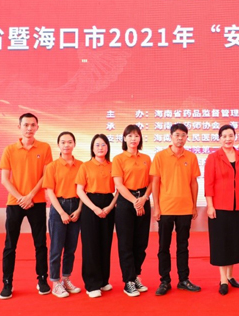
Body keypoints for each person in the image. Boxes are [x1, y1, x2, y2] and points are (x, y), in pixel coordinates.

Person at [0, 113, 53, 299]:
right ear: (19, 127)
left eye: (33, 125)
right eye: (26, 125)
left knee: (40, 244)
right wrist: (21, 198)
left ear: (37, 127)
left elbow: (46, 176)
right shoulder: (9, 150)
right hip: (15, 203)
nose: (29, 128)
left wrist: (30, 196)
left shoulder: (45, 148)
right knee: (10, 245)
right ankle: (7, 282)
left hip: (37, 202)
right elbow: (5, 179)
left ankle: (42, 279)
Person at [151, 123, 201, 295]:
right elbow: (155, 183)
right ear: (171, 136)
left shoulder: (191, 157)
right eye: (177, 135)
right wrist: (156, 207)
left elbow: (194, 183)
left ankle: (183, 279)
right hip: (165, 208)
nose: (180, 138)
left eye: (183, 135)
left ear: (187, 137)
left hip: (185, 208)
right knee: (163, 247)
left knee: (183, 246)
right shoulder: (160, 156)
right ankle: (164, 281)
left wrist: (194, 206)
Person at [204, 124, 239, 295]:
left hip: (238, 206)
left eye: (230, 135)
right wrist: (210, 205)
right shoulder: (213, 157)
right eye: (224, 136)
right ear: (219, 139)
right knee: (221, 243)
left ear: (235, 137)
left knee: (234, 242)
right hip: (219, 207)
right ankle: (223, 279)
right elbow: (208, 183)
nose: (228, 139)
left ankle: (231, 276)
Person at [76, 134, 117, 298]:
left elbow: (119, 189)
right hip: (90, 205)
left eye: (104, 145)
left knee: (106, 243)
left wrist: (110, 207)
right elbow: (80, 190)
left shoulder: (113, 165)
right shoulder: (85, 166)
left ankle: (103, 280)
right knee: (91, 245)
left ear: (108, 147)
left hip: (109, 203)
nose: (101, 148)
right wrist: (94, 208)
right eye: (97, 145)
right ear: (92, 148)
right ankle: (92, 284)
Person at [113, 124, 152, 297]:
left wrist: (143, 199)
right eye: (130, 136)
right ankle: (128, 280)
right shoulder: (119, 159)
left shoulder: (146, 158)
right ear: (124, 138)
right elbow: (119, 184)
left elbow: (152, 182)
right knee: (126, 243)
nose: (133, 139)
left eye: (136, 136)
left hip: (143, 199)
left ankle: (136, 275)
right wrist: (135, 201)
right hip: (126, 202)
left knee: (141, 242)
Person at [43, 131, 83, 298]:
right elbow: (50, 191)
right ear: (58, 145)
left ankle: (66, 278)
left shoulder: (81, 165)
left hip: (76, 207)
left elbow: (84, 190)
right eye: (63, 142)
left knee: (71, 248)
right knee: (56, 248)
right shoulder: (52, 166)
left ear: (74, 144)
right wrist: (61, 212)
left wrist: (79, 210)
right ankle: (55, 282)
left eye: (70, 142)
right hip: (59, 207)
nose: (66, 145)